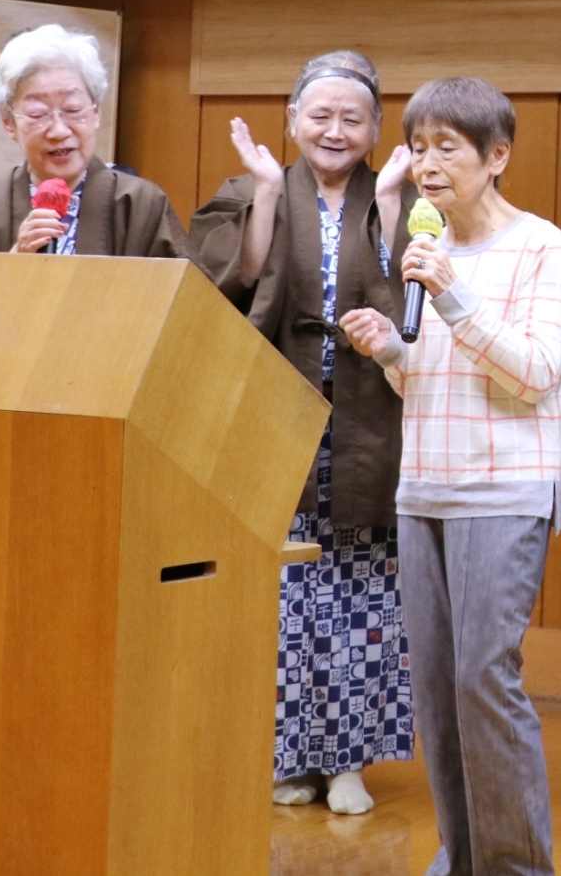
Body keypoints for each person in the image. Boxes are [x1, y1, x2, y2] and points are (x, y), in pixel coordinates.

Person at [342, 77, 561, 876]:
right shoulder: (427, 250)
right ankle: (463, 855)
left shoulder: (540, 246)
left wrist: (452, 293)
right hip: (424, 490)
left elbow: (536, 372)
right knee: (438, 692)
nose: (428, 164)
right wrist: (392, 349)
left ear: (497, 155)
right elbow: (433, 380)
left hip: (504, 493)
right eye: (417, 147)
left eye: (447, 147)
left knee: (484, 680)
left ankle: (516, 867)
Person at [187, 50, 415, 817]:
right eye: (320, 115)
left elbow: (415, 296)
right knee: (285, 594)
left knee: (362, 595)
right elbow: (230, 284)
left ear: (377, 128)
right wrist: (264, 191)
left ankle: (348, 761)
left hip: (369, 419)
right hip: (276, 414)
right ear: (292, 120)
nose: (335, 130)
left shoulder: (401, 193)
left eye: (353, 117)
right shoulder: (251, 188)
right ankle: (289, 757)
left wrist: (391, 200)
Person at [0, 23, 184, 257]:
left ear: (96, 113)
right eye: (37, 114)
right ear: (9, 124)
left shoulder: (141, 203)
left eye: (73, 110)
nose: (59, 131)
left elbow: (187, 289)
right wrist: (14, 259)